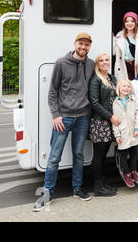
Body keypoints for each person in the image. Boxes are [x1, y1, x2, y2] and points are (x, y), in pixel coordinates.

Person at [33, 32, 95, 211]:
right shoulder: (61, 63)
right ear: (75, 44)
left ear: (89, 47)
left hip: (83, 117)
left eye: (87, 45)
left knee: (78, 155)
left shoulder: (91, 64)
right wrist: (55, 115)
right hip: (64, 118)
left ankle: (77, 189)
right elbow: (52, 92)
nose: (83, 47)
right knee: (54, 158)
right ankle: (47, 195)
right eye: (81, 44)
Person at [88, 53, 119, 197]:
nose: (105, 62)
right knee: (99, 155)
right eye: (101, 61)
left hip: (110, 122)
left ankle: (103, 182)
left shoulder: (112, 78)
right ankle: (98, 187)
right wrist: (110, 117)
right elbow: (94, 103)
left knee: (105, 154)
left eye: (107, 60)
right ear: (97, 64)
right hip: (100, 122)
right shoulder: (96, 80)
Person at [112, 79, 138, 188]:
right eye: (124, 86)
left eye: (128, 87)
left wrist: (137, 128)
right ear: (119, 88)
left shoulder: (133, 99)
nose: (126, 88)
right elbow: (114, 122)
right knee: (123, 154)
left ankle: (134, 172)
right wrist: (117, 135)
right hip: (123, 132)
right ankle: (127, 174)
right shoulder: (115, 103)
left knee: (134, 152)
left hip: (133, 131)